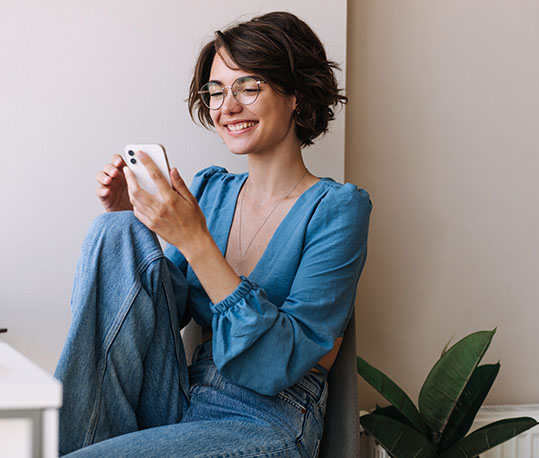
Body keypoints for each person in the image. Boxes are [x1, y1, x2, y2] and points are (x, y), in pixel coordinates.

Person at [54, 11, 371, 458]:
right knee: (115, 231)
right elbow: (165, 311)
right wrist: (134, 224)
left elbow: (281, 362)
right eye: (217, 91)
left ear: (296, 94)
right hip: (182, 394)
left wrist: (196, 240)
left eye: (248, 87)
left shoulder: (338, 209)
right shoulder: (210, 190)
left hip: (266, 415)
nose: (227, 107)